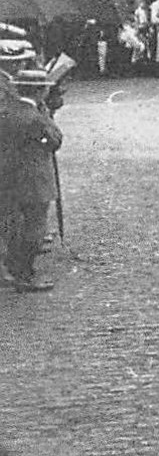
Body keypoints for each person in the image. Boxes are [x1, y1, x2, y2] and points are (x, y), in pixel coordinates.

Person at [0, 67, 64, 292]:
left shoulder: (5, 112)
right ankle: (24, 274)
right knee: (35, 228)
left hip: (8, 177)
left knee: (13, 225)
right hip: (34, 180)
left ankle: (12, 268)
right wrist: (46, 114)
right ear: (41, 92)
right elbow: (55, 140)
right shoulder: (35, 118)